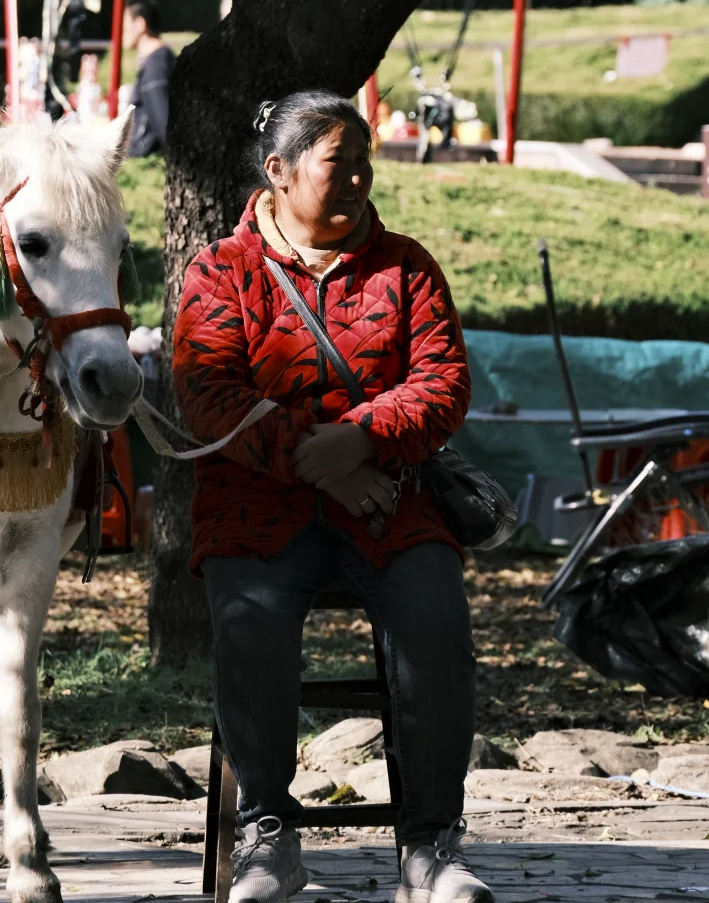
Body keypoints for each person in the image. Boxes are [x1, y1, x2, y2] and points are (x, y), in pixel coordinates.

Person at [173, 91, 490, 903]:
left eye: (363, 164)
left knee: (435, 616)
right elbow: (206, 393)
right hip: (258, 510)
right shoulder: (219, 272)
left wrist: (363, 438)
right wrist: (329, 463)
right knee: (249, 623)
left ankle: (432, 847)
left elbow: (443, 384)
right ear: (277, 172)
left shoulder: (407, 266)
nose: (356, 179)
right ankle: (268, 837)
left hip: (392, 508)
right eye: (336, 164)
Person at [123, 0, 175, 156]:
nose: (122, 31)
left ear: (139, 24)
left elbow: (165, 126)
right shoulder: (158, 61)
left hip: (146, 160)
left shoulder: (156, 67)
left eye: (124, 26)